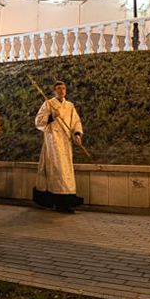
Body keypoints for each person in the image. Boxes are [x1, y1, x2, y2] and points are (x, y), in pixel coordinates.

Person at [33, 81, 84, 213]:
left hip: (66, 142)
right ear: (54, 91)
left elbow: (76, 121)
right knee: (57, 170)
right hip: (53, 141)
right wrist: (51, 116)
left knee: (66, 171)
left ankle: (67, 200)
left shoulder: (69, 106)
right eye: (59, 88)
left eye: (63, 88)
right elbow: (38, 121)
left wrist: (77, 134)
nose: (62, 90)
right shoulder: (49, 104)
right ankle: (60, 202)